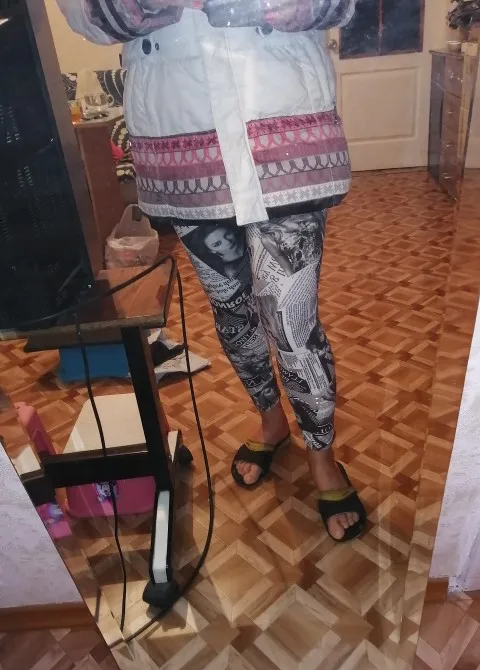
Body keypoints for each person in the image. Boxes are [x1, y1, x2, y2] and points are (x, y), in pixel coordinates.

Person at [59, 0, 366, 542]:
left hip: (282, 133)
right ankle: (271, 420)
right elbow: (85, 15)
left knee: (292, 324)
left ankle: (321, 456)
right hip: (182, 141)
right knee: (232, 313)